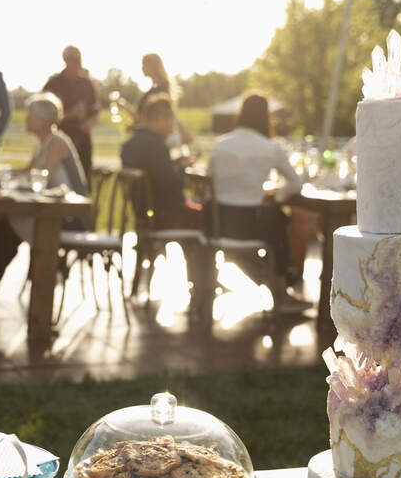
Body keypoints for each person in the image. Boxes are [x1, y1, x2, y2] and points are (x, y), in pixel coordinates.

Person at [0, 93, 88, 302]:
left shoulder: (57, 142)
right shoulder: (42, 143)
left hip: (69, 217)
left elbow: (43, 178)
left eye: (31, 116)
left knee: (8, 221)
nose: (26, 120)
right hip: (49, 211)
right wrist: (2, 174)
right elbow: (27, 171)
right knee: (0, 219)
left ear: (43, 120)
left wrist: (12, 180)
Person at [206, 93, 308, 313]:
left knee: (271, 219)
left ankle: (264, 279)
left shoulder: (220, 145)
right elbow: (295, 183)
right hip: (252, 227)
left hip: (218, 225)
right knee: (278, 219)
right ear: (266, 117)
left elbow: (209, 184)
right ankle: (281, 291)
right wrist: (274, 196)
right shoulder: (270, 148)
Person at [120, 94, 198, 230]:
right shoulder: (157, 146)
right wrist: (183, 167)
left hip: (142, 215)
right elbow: (172, 188)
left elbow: (154, 173)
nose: (173, 125)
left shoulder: (129, 145)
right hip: (165, 216)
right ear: (161, 119)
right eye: (172, 118)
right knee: (210, 213)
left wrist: (174, 164)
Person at [42, 45, 99, 178]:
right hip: (60, 138)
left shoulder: (87, 84)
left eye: (78, 60)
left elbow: (95, 111)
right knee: (60, 176)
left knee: (84, 177)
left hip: (83, 140)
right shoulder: (54, 84)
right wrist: (69, 114)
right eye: (73, 60)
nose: (77, 63)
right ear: (66, 60)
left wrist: (89, 122)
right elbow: (44, 115)